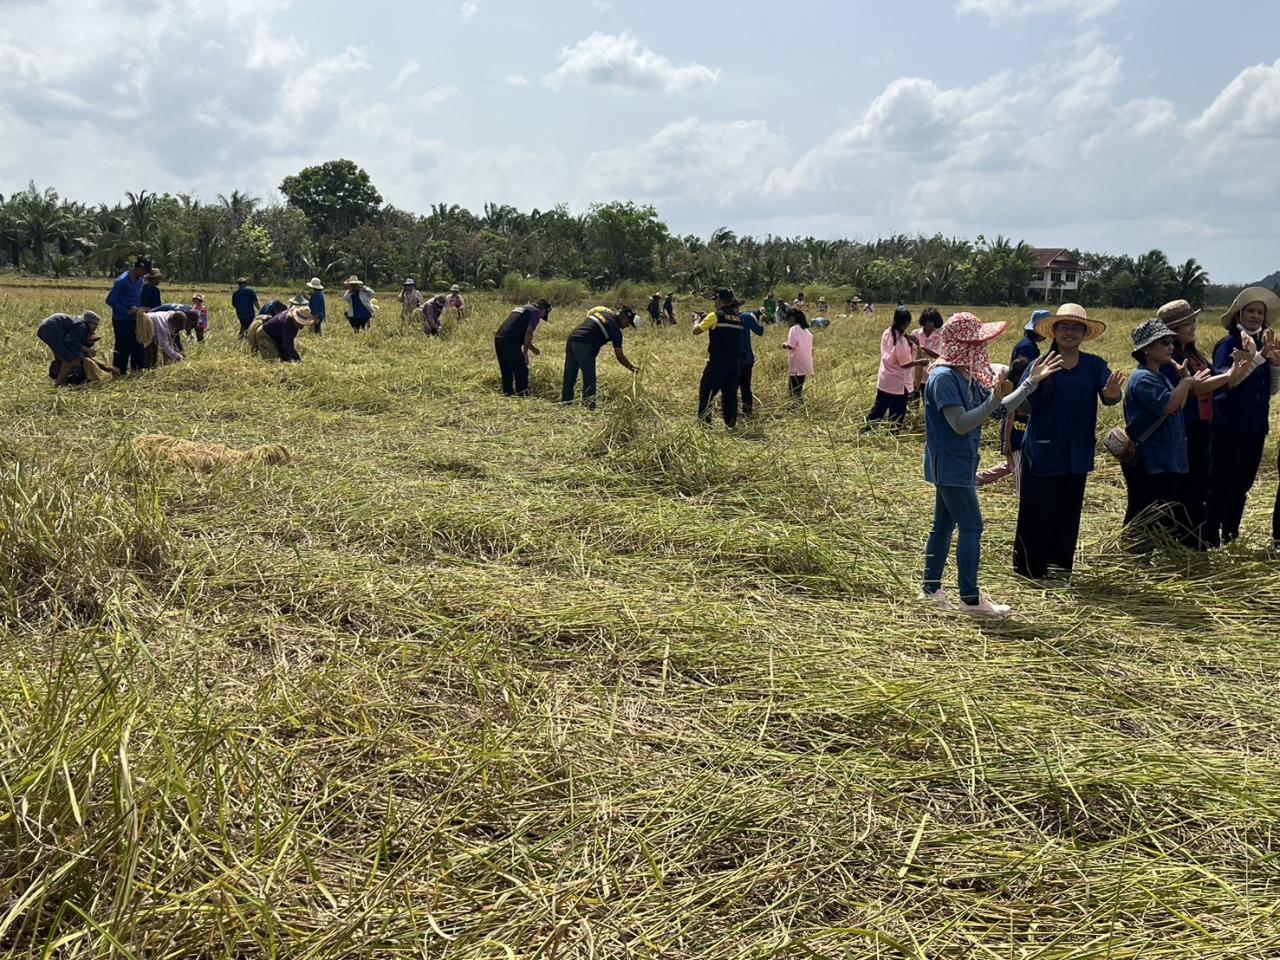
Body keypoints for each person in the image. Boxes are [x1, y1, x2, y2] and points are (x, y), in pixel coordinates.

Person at [921, 312, 1060, 617]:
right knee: (972, 525)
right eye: (978, 343)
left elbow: (996, 412)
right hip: (950, 464)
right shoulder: (944, 377)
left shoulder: (965, 375)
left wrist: (1029, 385)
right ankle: (970, 599)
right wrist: (992, 401)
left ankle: (931, 589)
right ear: (963, 345)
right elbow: (961, 424)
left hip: (958, 464)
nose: (983, 350)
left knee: (943, 526)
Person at [1013, 303, 1125, 580]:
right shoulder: (1040, 364)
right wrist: (1034, 382)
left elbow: (1110, 397)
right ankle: (1030, 569)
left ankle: (1060, 567)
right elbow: (1022, 406)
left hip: (1077, 452)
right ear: (1054, 331)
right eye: (1064, 326)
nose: (1070, 332)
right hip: (1043, 449)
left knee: (1067, 513)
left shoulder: (1094, 365)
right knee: (1036, 511)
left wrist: (1112, 393)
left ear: (1084, 334)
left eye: (1077, 327)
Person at [1204, 287, 1280, 547]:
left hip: (1256, 425)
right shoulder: (1229, 344)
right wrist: (1259, 358)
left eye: (1260, 312)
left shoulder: (1262, 345)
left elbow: (1270, 389)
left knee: (1243, 483)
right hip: (1229, 423)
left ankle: (1231, 533)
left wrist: (1275, 365)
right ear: (1239, 314)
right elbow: (1229, 382)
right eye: (1251, 311)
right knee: (1222, 482)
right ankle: (1211, 535)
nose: (1256, 316)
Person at [1121, 319, 1206, 544]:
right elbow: (1168, 406)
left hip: (1162, 457)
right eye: (1164, 342)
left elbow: (1179, 406)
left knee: (1156, 508)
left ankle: (1142, 554)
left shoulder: (1158, 376)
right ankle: (1134, 554)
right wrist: (1186, 382)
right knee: (1143, 510)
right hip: (1149, 458)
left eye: (1171, 341)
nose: (1171, 346)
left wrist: (1182, 380)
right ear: (1146, 349)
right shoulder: (1143, 378)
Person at [561, 306, 640, 408]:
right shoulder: (615, 328)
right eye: (629, 324)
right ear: (625, 318)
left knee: (570, 374)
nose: (627, 326)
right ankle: (589, 406)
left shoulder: (604, 314)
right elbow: (619, 355)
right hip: (584, 344)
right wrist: (632, 368)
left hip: (572, 339)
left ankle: (566, 402)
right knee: (590, 377)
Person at [693, 288, 746, 428]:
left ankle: (705, 424)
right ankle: (731, 423)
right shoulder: (738, 318)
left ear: (719, 299)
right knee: (730, 394)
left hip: (717, 361)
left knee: (707, 392)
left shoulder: (715, 316)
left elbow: (696, 331)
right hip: (735, 362)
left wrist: (696, 320)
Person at [863, 305, 917, 432]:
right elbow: (905, 364)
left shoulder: (887, 333)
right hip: (898, 382)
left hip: (885, 378)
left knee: (879, 407)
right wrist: (920, 362)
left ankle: (868, 430)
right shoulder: (901, 341)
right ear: (906, 323)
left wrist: (907, 337)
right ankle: (893, 433)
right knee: (897, 411)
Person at [495, 300, 551, 396]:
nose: (542, 317)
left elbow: (518, 330)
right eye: (544, 314)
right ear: (543, 310)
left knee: (506, 368)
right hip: (510, 340)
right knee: (521, 369)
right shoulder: (535, 312)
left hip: (499, 338)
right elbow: (529, 332)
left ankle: (508, 393)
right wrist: (525, 353)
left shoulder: (523, 308)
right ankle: (522, 394)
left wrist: (532, 348)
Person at [106, 257, 150, 374]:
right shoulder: (122, 281)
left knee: (138, 343)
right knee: (123, 346)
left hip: (135, 318)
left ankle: (137, 371)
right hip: (121, 319)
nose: (145, 274)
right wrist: (126, 311)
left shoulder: (140, 280)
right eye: (144, 271)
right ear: (139, 268)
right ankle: (119, 371)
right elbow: (110, 300)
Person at [37, 311, 105, 386]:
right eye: (95, 324)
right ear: (89, 322)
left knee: (65, 356)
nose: (96, 327)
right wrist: (86, 349)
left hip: (45, 329)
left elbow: (70, 342)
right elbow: (69, 341)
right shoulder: (82, 326)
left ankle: (58, 377)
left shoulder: (76, 323)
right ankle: (59, 384)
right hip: (51, 330)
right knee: (72, 360)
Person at [248, 304, 313, 362]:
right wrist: (298, 360)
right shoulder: (286, 323)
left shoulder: (292, 322)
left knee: (283, 358)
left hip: (275, 336)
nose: (302, 326)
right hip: (264, 335)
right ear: (295, 319)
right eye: (301, 323)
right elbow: (287, 345)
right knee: (273, 361)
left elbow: (285, 343)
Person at [910, 307, 944, 399]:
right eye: (926, 321)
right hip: (915, 372)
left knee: (928, 400)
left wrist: (921, 348)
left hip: (930, 372)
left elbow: (936, 354)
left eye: (931, 321)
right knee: (913, 401)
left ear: (935, 322)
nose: (928, 324)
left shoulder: (938, 336)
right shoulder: (915, 333)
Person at [737, 309, 766, 416]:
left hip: (731, 358)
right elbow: (760, 331)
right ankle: (747, 412)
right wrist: (761, 320)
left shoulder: (723, 317)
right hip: (746, 358)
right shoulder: (747, 317)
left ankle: (730, 413)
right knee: (745, 386)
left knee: (730, 388)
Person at [784, 308, 813, 399]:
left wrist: (784, 344)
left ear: (792, 319)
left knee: (793, 390)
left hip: (797, 363)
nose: (788, 323)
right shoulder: (806, 331)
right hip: (806, 363)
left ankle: (794, 408)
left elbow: (791, 345)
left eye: (788, 320)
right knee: (798, 388)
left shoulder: (794, 328)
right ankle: (798, 407)